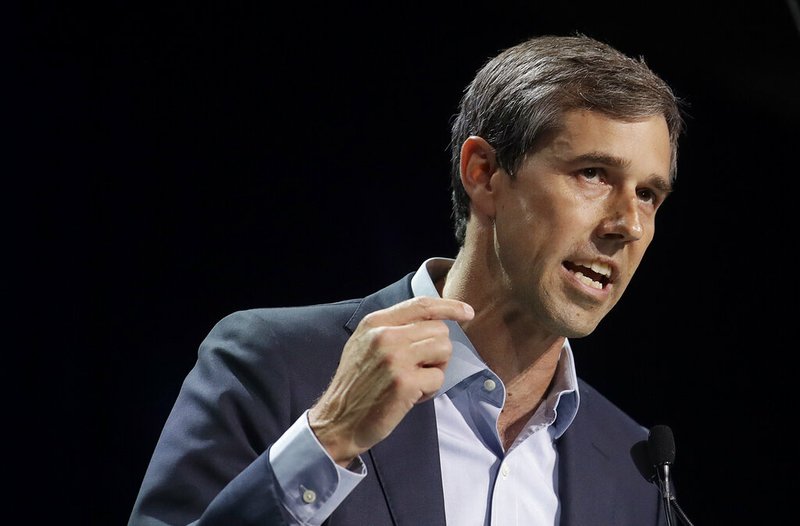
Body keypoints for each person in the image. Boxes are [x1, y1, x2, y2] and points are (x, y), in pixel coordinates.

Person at [129, 33, 685, 526]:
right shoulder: (278, 365)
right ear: (485, 174)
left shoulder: (635, 469)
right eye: (593, 174)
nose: (628, 225)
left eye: (648, 194)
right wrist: (330, 436)